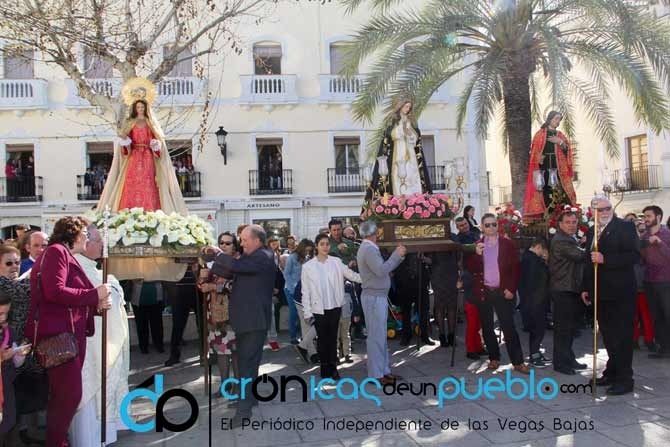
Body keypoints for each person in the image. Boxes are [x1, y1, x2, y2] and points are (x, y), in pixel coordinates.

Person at [24, 216, 112, 447]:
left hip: (68, 334)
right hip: (59, 336)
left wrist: (95, 305)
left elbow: (68, 298)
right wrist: (94, 295)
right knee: (68, 396)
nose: (87, 238)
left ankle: (59, 441)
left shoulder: (64, 254)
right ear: (73, 233)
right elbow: (55, 291)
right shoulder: (56, 252)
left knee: (64, 397)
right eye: (85, 233)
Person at [204, 224, 275, 427]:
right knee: (248, 365)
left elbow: (237, 267)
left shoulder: (263, 256)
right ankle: (249, 400)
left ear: (257, 240)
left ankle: (243, 413)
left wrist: (218, 254)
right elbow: (230, 271)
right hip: (247, 321)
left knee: (246, 366)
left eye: (244, 240)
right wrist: (207, 260)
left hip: (253, 321)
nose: (241, 243)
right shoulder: (250, 257)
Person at [70, 224, 130, 447]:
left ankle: (102, 437)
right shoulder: (77, 267)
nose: (102, 245)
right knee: (91, 393)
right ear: (85, 243)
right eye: (97, 241)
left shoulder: (91, 267)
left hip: (104, 339)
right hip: (91, 343)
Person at [97, 78, 187, 214]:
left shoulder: (151, 123)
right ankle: (128, 210)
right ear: (135, 108)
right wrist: (125, 141)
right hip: (133, 157)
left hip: (148, 157)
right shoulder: (130, 122)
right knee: (131, 182)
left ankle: (150, 210)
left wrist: (155, 144)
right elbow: (125, 146)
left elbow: (158, 140)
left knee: (148, 182)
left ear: (146, 108)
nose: (140, 109)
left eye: (142, 107)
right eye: (138, 107)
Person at [582, 196, 640, 395]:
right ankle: (612, 372)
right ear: (593, 212)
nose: (605, 212)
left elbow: (634, 255)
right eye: (600, 210)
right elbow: (588, 262)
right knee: (608, 335)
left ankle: (625, 379)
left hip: (621, 293)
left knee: (622, 337)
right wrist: (586, 288)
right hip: (601, 293)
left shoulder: (625, 227)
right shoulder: (592, 231)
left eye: (608, 208)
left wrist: (606, 259)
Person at [465, 213, 530, 374]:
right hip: (484, 291)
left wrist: (511, 289)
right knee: (487, 327)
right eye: (487, 225)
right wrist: (476, 254)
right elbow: (471, 268)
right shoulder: (477, 245)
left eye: (494, 224)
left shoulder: (507, 244)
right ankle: (494, 358)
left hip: (503, 291)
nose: (491, 227)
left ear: (497, 225)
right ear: (482, 227)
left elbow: (516, 269)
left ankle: (518, 362)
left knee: (509, 327)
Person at [0, 244, 47, 445]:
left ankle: (24, 434)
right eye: (8, 263)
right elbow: (27, 290)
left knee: (19, 400)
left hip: (18, 350)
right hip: (7, 353)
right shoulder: (5, 284)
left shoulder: (17, 282)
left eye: (17, 262)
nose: (14, 266)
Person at [301, 234, 361, 380]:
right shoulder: (308, 266)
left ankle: (333, 369)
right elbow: (305, 291)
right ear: (316, 246)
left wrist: (369, 278)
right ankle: (324, 368)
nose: (325, 247)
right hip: (318, 309)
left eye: (327, 244)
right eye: (322, 244)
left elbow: (351, 275)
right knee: (322, 339)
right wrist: (307, 312)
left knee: (333, 338)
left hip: (335, 306)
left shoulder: (336, 262)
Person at [356, 220, 406, 385]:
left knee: (380, 336)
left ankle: (384, 371)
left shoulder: (368, 248)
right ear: (374, 233)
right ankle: (376, 374)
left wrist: (397, 257)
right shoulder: (369, 249)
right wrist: (396, 255)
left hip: (377, 296)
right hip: (374, 297)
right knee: (376, 337)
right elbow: (381, 270)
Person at [364, 97, 432, 207]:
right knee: (398, 174)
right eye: (406, 106)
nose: (407, 109)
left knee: (412, 173)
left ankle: (414, 199)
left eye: (409, 107)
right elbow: (389, 135)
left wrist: (410, 133)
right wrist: (401, 129)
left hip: (410, 152)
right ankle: (399, 199)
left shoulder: (412, 121)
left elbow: (416, 138)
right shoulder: (392, 120)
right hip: (398, 152)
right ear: (400, 106)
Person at [198, 232, 239, 398]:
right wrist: (202, 280)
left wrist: (215, 287)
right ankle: (225, 385)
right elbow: (201, 284)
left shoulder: (239, 262)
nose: (224, 245)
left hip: (234, 312)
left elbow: (237, 286)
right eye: (221, 243)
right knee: (221, 351)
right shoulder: (212, 262)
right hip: (214, 313)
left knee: (235, 351)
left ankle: (238, 386)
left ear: (235, 246)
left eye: (228, 243)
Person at [549, 212, 590, 374]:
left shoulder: (569, 238)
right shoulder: (560, 240)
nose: (572, 225)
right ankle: (560, 364)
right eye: (568, 222)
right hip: (562, 289)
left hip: (570, 288)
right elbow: (580, 256)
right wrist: (591, 243)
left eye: (574, 222)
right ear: (560, 224)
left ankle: (569, 358)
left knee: (570, 328)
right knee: (563, 329)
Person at [523, 111, 577, 221]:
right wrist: (539, 158)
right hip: (544, 168)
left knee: (560, 190)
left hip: (558, 169)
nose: (558, 122)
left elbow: (567, 150)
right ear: (550, 119)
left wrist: (560, 142)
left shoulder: (560, 135)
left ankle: (561, 214)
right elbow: (534, 152)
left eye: (559, 120)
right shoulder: (540, 134)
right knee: (545, 191)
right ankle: (546, 216)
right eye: (556, 119)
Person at [0, 290, 30, 445]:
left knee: (8, 422)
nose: (3, 318)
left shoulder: (8, 332)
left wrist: (20, 354)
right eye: (0, 313)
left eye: (6, 313)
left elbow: (16, 363)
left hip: (6, 388)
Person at [640, 205, 670, 358]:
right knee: (656, 316)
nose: (645, 219)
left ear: (658, 217)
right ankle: (663, 348)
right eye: (644, 216)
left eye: (648, 216)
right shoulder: (644, 236)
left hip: (665, 281)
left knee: (667, 314)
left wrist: (659, 242)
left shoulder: (667, 233)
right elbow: (641, 258)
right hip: (649, 281)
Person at [518, 237, 551, 367]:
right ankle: (534, 355)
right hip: (535, 301)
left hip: (533, 301)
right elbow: (533, 282)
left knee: (537, 330)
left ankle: (536, 353)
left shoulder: (528, 257)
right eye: (544, 250)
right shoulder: (532, 259)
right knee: (537, 330)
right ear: (538, 247)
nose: (544, 253)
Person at [395, 253, 433, 346]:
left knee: (424, 311)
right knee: (406, 312)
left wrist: (423, 258)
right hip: (405, 282)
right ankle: (406, 336)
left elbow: (431, 260)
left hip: (421, 282)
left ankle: (425, 335)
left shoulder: (423, 248)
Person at [284, 239, 313, 345]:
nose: (307, 252)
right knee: (294, 313)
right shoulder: (292, 257)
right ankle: (293, 336)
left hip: (304, 289)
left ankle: (303, 335)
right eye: (306, 250)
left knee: (304, 313)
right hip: (291, 289)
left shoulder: (308, 258)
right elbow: (286, 274)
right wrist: (292, 288)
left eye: (309, 251)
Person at [633, 219, 655, 351]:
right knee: (633, 316)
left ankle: (649, 340)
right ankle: (634, 340)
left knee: (647, 316)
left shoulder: (649, 244)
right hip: (632, 286)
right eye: (639, 230)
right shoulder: (631, 244)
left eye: (643, 230)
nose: (642, 233)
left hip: (645, 285)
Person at [130, 280, 165, 355]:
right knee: (141, 325)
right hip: (139, 300)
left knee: (157, 325)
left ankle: (159, 345)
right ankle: (143, 347)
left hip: (156, 299)